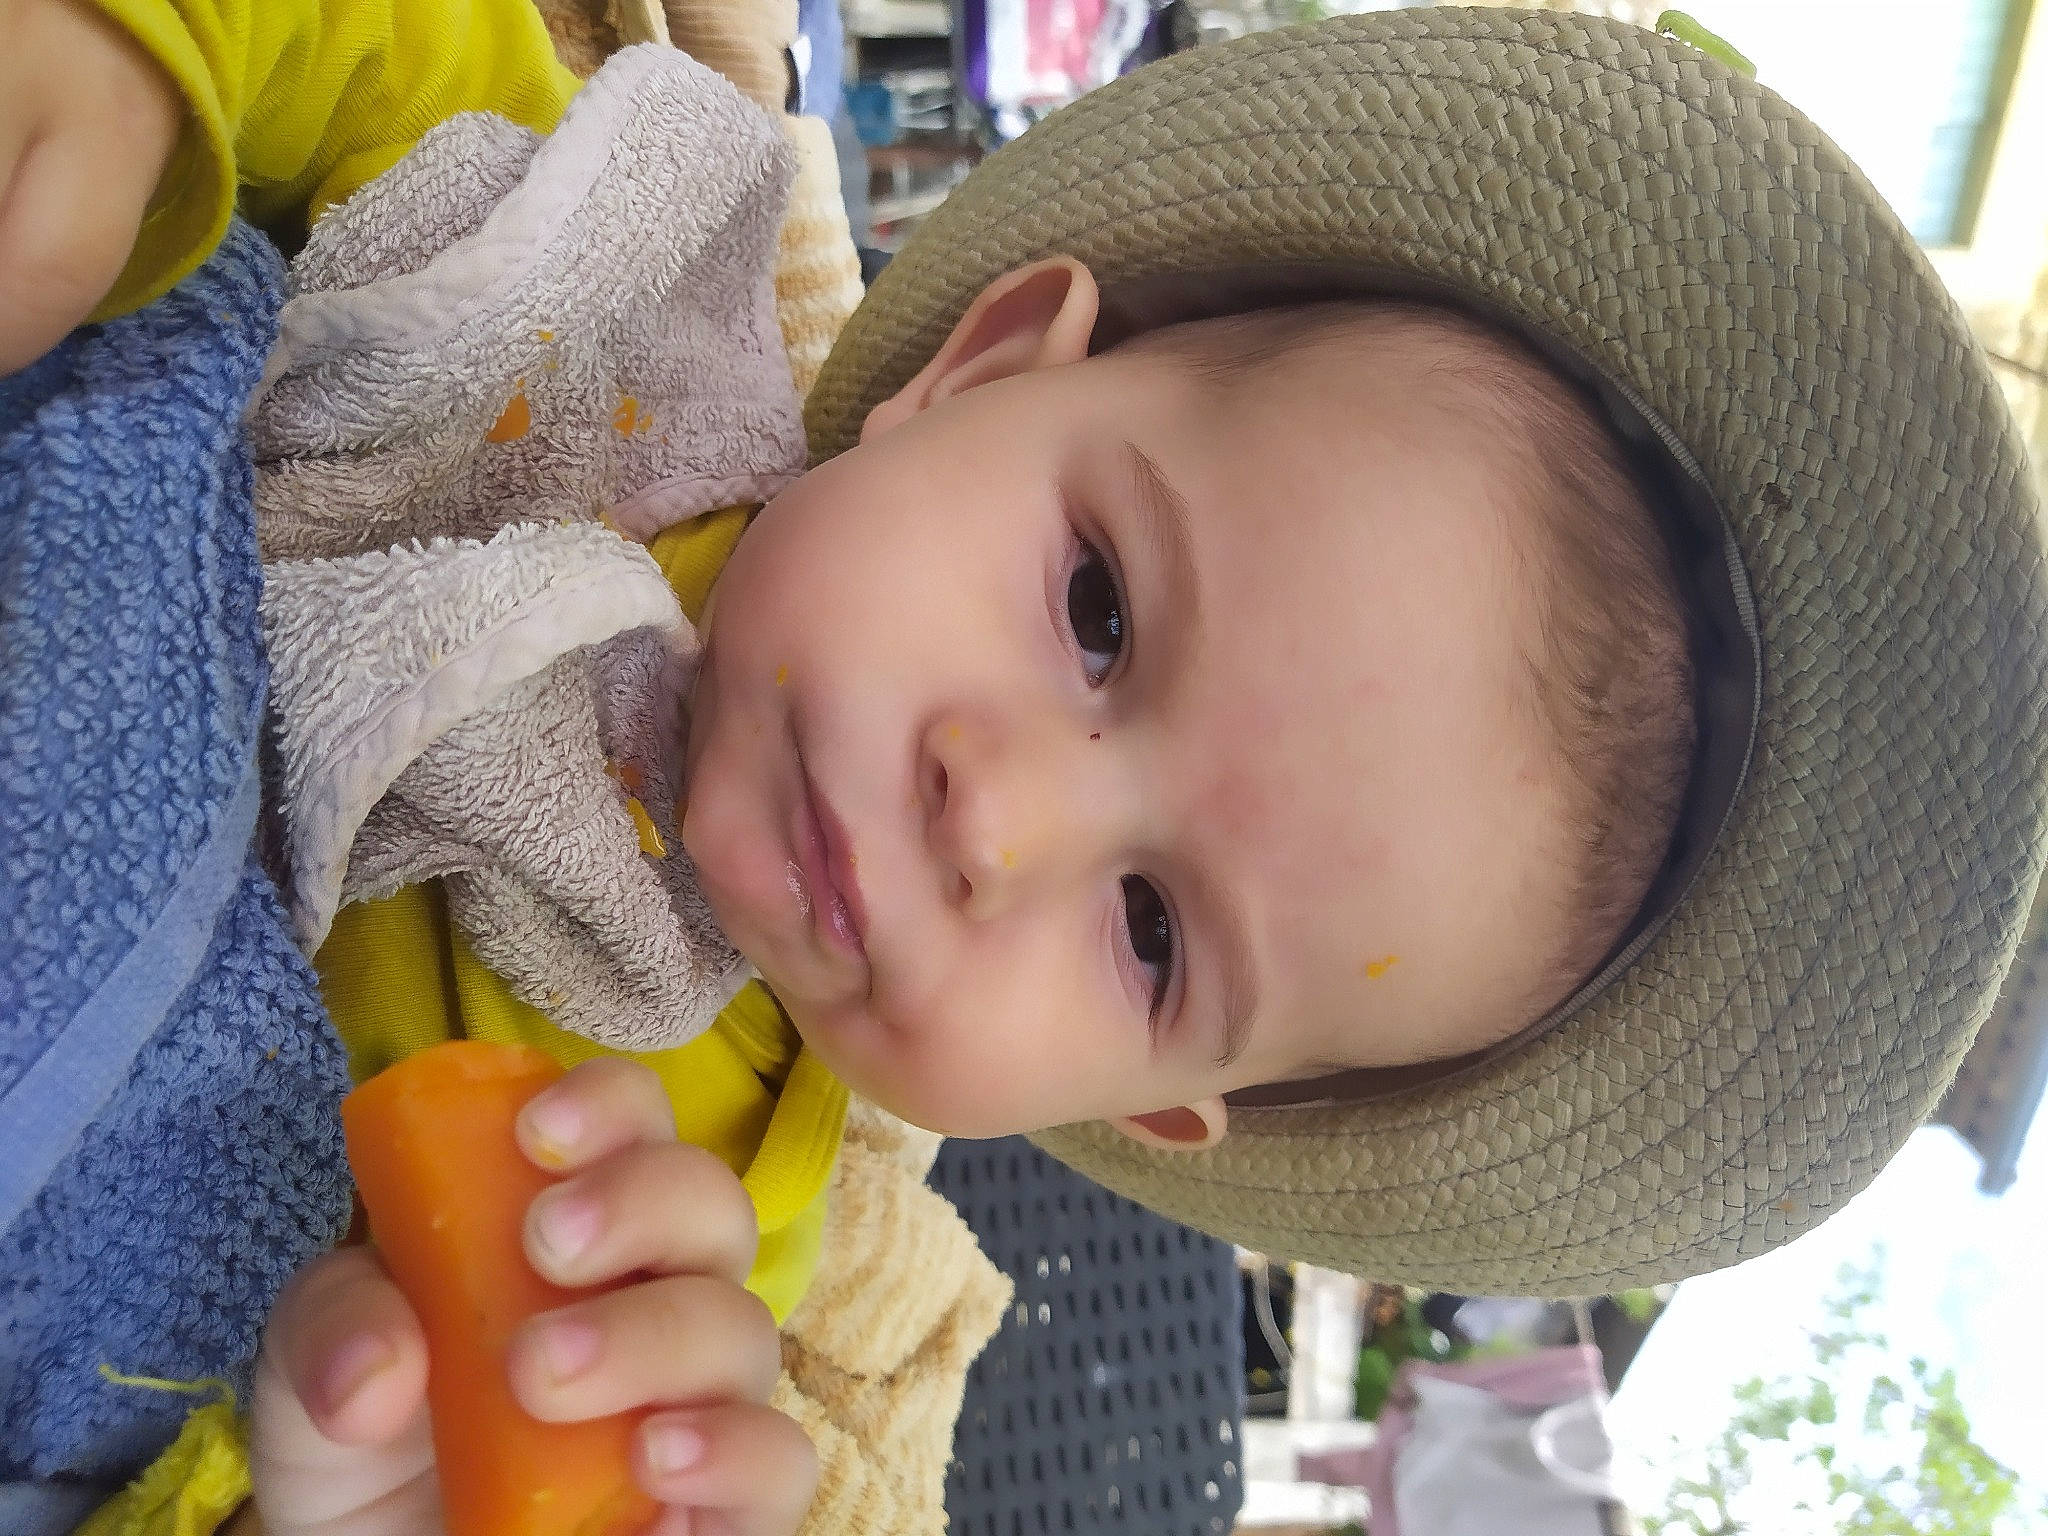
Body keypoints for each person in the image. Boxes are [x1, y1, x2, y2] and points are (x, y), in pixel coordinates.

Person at [4, 4, 2044, 1535]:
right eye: (1092, 611)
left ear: (1140, 1103)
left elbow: (106, 1419)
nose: (1002, 821)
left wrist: (343, 1474)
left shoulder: (663, 1227)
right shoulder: (600, 262)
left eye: (1148, 930)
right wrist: (129, 66)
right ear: (977, 375)